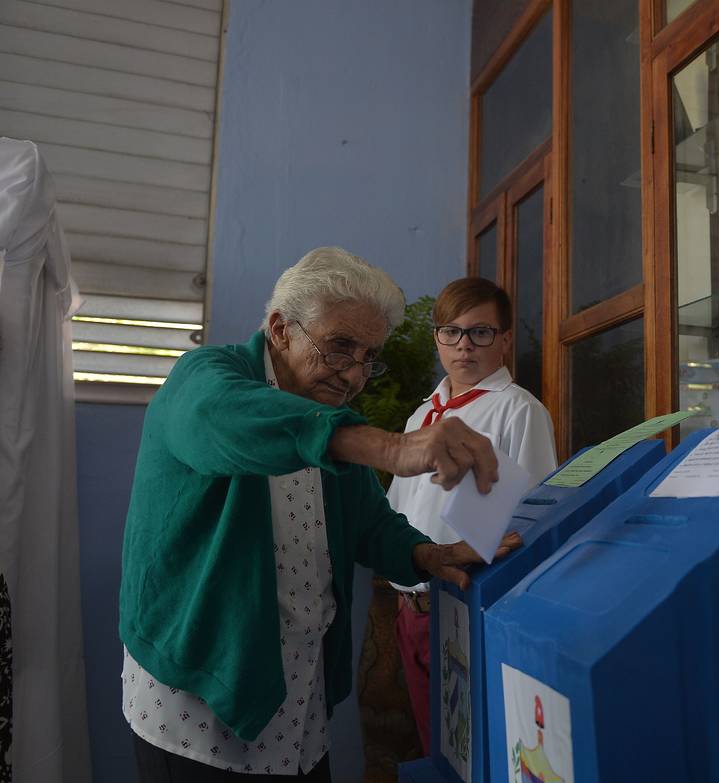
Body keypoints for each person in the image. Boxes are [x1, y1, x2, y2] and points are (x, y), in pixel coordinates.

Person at [120, 248, 521, 782]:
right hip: (197, 705)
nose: (353, 374)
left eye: (368, 357)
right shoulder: (208, 376)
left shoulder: (331, 414)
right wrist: (392, 447)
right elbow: (220, 419)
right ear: (280, 329)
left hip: (296, 704)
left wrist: (427, 553)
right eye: (340, 347)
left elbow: (369, 521)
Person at [386, 276, 557, 754]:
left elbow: (533, 521)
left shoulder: (518, 411)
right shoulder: (422, 415)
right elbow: (399, 506)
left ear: (505, 340)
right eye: (452, 332)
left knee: (470, 751)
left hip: (466, 604)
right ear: (437, 339)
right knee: (433, 748)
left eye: (480, 332)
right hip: (409, 608)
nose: (464, 345)